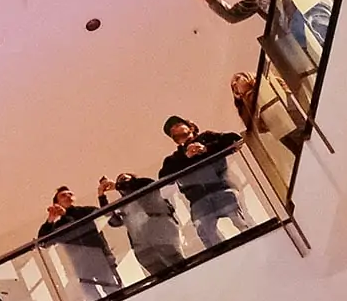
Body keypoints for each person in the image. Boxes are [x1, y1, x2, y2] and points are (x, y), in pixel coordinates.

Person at [161, 116, 245, 244]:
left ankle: (256, 239)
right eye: (174, 134)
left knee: (240, 221)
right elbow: (164, 177)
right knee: (206, 234)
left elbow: (235, 139)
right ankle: (221, 256)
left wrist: (206, 148)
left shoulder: (208, 137)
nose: (176, 130)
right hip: (198, 200)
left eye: (179, 126)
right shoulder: (174, 159)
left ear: (191, 128)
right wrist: (185, 157)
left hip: (222, 190)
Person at [38, 185, 122, 301]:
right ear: (57, 203)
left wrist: (101, 195)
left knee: (115, 294)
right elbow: (43, 243)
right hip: (80, 267)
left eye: (70, 194)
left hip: (101, 259)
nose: (67, 196)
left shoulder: (87, 211)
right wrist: (51, 218)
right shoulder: (58, 226)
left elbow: (110, 217)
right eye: (63, 195)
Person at [99, 171, 186, 279]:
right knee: (160, 274)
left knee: (179, 264)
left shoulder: (147, 186)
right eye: (120, 181)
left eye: (125, 179)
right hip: (142, 245)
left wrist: (116, 185)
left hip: (161, 233)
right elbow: (113, 221)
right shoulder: (123, 205)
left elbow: (141, 184)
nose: (122, 182)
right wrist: (101, 197)